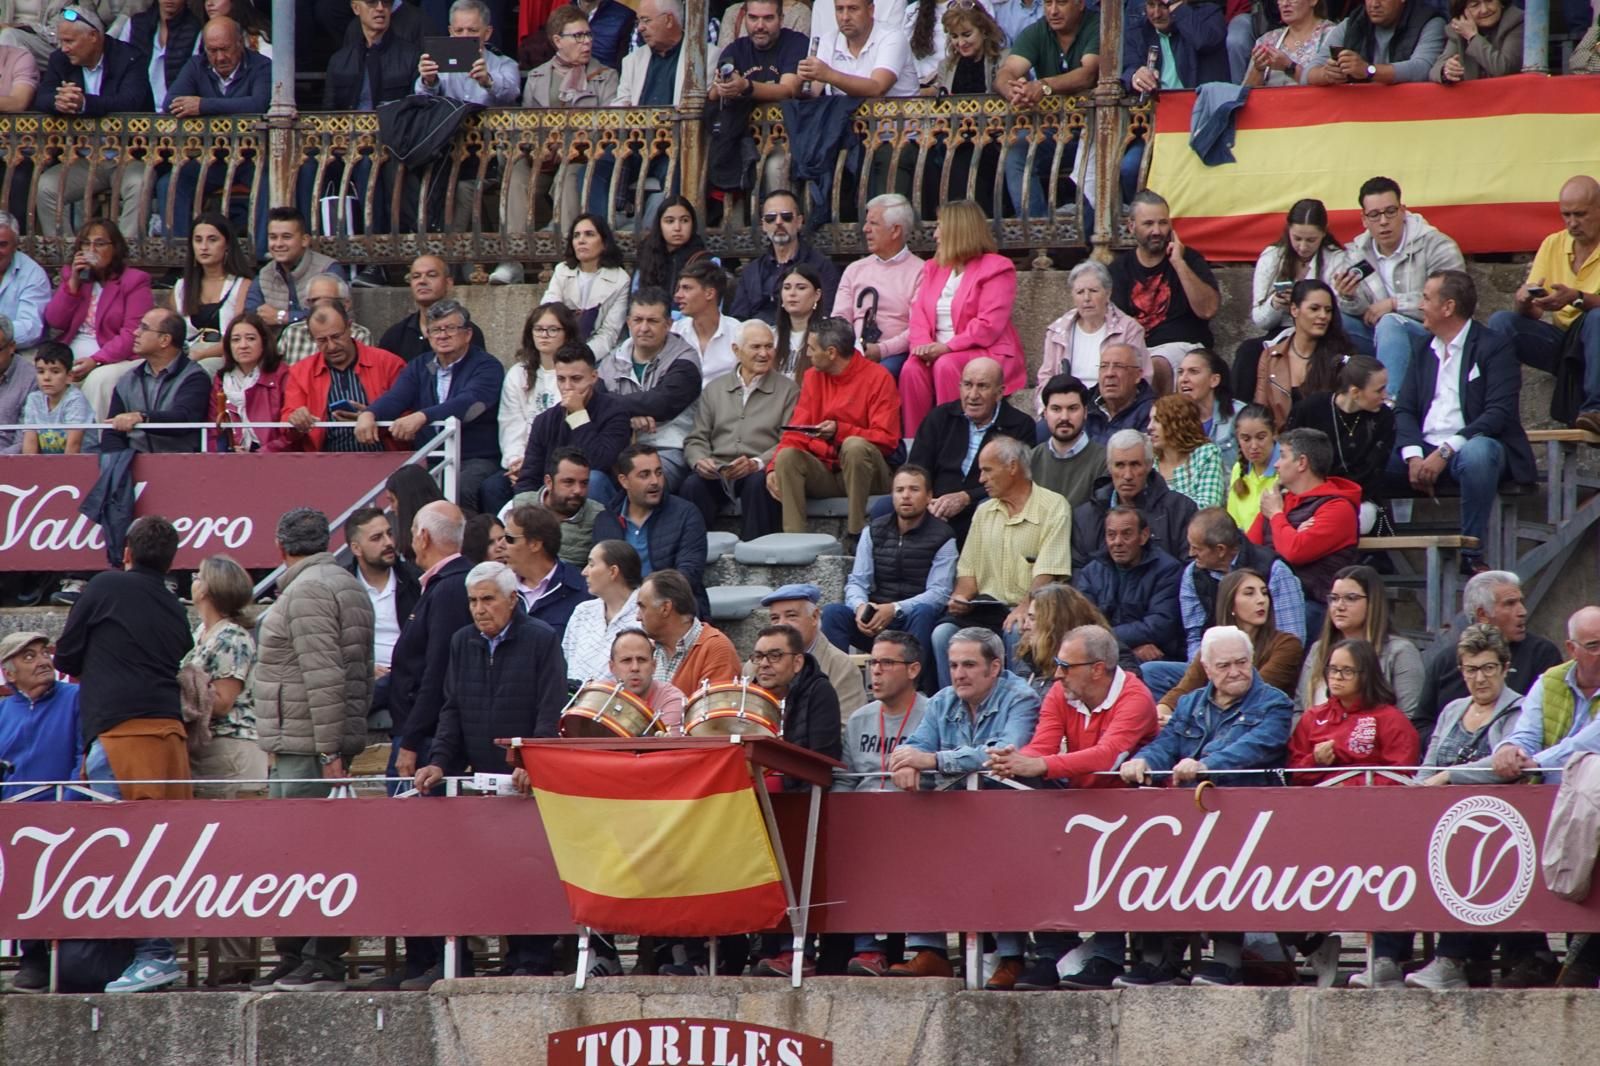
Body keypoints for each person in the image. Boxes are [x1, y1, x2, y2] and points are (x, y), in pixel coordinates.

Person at [54, 515, 193, 992]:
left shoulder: (106, 585)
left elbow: (66, 657)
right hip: (170, 736)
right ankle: (148, 950)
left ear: (127, 552)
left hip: (121, 737)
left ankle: (154, 953)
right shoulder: (176, 608)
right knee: (164, 847)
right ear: (171, 559)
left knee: (132, 848)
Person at [413, 560, 567, 978]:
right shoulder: (463, 642)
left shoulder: (542, 639)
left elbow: (549, 709)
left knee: (527, 872)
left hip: (524, 781)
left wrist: (533, 760)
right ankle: (479, 960)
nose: (480, 609)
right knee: (485, 875)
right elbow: (452, 709)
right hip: (479, 778)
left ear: (512, 600)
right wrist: (439, 761)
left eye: (488, 599)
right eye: (473, 601)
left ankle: (531, 961)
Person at [249, 508, 373, 992]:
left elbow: (325, 679)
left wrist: (328, 754)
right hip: (312, 739)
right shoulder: (342, 582)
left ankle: (316, 959)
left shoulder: (308, 590)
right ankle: (299, 955)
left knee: (303, 858)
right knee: (306, 855)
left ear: (281, 547)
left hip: (306, 744)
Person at [886, 627, 1039, 985]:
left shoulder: (1022, 698)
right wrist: (907, 763)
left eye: (969, 665)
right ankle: (930, 951)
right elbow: (912, 747)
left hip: (1015, 816)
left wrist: (932, 760)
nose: (958, 674)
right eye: (954, 665)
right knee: (914, 839)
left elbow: (1002, 752)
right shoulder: (942, 700)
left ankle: (1012, 956)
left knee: (998, 853)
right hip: (954, 814)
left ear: (996, 666)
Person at [1393, 269, 1535, 570]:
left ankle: (1471, 552)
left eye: (1426, 298)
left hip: (1467, 449)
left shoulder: (1494, 345)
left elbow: (1497, 414)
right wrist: (1414, 457)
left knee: (1479, 452)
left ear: (1448, 307)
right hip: (1424, 450)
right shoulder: (1422, 348)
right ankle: (1377, 542)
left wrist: (1445, 451)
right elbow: (1403, 409)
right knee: (1364, 456)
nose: (1420, 306)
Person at [933, 436, 1071, 686]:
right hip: (984, 612)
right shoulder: (983, 512)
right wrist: (961, 597)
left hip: (1031, 610)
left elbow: (1048, 573)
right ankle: (951, 710)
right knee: (943, 633)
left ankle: (1021, 704)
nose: (981, 479)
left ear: (1013, 467)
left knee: (1017, 627)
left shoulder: (1054, 506)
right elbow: (968, 573)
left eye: (987, 470)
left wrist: (1025, 605)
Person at [357, 299, 505, 513]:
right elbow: (397, 397)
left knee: (459, 488)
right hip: (431, 457)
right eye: (435, 329)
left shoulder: (487, 366)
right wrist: (370, 413)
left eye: (450, 328)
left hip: (476, 457)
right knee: (405, 489)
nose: (442, 335)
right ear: (428, 334)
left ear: (467, 334)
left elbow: (469, 403)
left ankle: (466, 543)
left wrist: (422, 416)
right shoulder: (419, 365)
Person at [823, 465, 956, 687]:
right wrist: (860, 609)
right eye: (899, 490)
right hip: (875, 620)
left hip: (913, 621)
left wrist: (894, 608)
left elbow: (939, 594)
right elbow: (857, 581)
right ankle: (837, 689)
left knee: (924, 612)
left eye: (914, 489)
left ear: (929, 496)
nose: (906, 496)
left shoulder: (943, 536)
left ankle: (911, 691)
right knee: (833, 613)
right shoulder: (873, 530)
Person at [902, 200, 1026, 436]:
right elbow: (918, 314)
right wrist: (921, 348)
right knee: (911, 369)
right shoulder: (933, 267)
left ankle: (953, 439)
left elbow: (988, 325)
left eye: (940, 226)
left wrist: (946, 347)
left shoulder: (997, 267)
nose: (936, 234)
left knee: (946, 365)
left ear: (958, 231)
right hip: (935, 351)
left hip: (983, 350)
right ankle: (914, 444)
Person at [767, 316, 900, 537]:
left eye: (811, 348)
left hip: (870, 474)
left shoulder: (879, 378)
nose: (806, 354)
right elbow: (798, 429)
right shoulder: (812, 377)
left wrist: (840, 431)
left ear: (831, 352)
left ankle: (856, 534)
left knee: (854, 446)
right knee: (787, 456)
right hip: (828, 471)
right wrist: (773, 467)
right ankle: (794, 540)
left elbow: (887, 440)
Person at [1489, 177, 1600, 434]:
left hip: (1595, 339)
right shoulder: (1553, 243)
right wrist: (1525, 301)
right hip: (1566, 345)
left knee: (1596, 318)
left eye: (1580, 215)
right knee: (1502, 322)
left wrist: (1577, 297)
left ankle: (1595, 409)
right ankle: (1499, 414)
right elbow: (1534, 313)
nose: (1572, 223)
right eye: (1566, 215)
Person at [385, 501, 473, 820]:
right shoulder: (445, 584)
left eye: (411, 532)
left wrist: (411, 740)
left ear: (423, 536)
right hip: (423, 734)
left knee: (410, 831)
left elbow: (436, 671)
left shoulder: (449, 589)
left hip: (426, 741)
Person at [1332, 176, 1464, 386]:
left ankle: (1390, 408)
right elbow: (1365, 311)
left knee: (1390, 322)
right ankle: (1335, 403)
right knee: (1329, 318)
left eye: (1390, 212)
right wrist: (1348, 296)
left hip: (1432, 335)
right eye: (1375, 215)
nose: (1384, 221)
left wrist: (1395, 304)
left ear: (1403, 210)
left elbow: (1453, 301)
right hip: (1378, 335)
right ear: (1364, 219)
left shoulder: (1438, 246)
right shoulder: (1357, 253)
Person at [32, 8, 151, 239]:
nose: (64, 48)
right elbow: (41, 97)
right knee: (47, 186)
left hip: (128, 157)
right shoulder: (60, 60)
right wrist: (58, 101)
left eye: (69, 41)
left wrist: (85, 103)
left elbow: (131, 102)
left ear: (94, 36)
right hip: (84, 159)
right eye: (61, 41)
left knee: (140, 182)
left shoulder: (129, 57)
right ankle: (66, 257)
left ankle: (125, 260)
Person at [679, 319, 797, 540]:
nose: (764, 353)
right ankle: (694, 553)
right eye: (756, 347)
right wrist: (700, 461)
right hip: (719, 469)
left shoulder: (788, 390)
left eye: (769, 346)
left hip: (758, 469)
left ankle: (757, 557)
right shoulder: (715, 388)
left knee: (758, 485)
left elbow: (788, 440)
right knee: (692, 485)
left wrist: (757, 463)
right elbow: (697, 438)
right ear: (736, 350)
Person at [509, 21, 619, 256]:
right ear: (557, 41)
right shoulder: (538, 75)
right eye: (578, 36)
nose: (586, 41)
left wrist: (571, 146)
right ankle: (514, 256)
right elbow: (527, 125)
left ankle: (567, 253)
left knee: (570, 174)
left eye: (589, 34)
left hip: (581, 155)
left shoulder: (605, 76)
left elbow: (610, 126)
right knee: (516, 170)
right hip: (544, 157)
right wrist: (539, 146)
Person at [900, 355, 1036, 542]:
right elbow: (917, 469)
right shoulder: (939, 417)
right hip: (934, 505)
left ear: (999, 392)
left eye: (982, 386)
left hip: (983, 504)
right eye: (967, 385)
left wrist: (966, 498)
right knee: (885, 508)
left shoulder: (1020, 426)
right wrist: (928, 501)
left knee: (987, 510)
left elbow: (1016, 481)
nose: (972, 395)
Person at [1415, 571, 1563, 741]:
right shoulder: (1446, 661)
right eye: (1510, 604)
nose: (1522, 611)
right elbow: (1422, 724)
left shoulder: (1542, 654)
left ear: (1504, 668)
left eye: (1521, 602)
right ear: (1483, 615)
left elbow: (1553, 723)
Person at [158, 18, 271, 236]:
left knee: (268, 182)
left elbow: (257, 105)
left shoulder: (262, 66)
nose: (219, 57)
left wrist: (203, 105)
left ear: (241, 42)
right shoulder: (196, 65)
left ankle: (263, 257)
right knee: (170, 183)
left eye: (225, 49)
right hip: (212, 158)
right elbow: (171, 103)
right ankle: (179, 258)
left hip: (252, 157)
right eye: (212, 50)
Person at [1107, 192, 1220, 397]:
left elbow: (1208, 310)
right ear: (1131, 226)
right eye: (1148, 224)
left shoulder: (1189, 259)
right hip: (1137, 349)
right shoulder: (1118, 270)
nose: (1157, 231)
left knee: (1157, 365)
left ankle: (1163, 425)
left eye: (1163, 223)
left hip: (1184, 348)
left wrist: (1178, 263)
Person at [994, 0, 1099, 219]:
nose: (1053, 10)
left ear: (1080, 4)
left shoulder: (1096, 25)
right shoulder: (1037, 31)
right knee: (1017, 151)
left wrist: (1044, 85)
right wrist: (1012, 90)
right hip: (1053, 128)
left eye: (1061, 2)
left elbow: (1088, 74)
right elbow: (1007, 71)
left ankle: (1090, 237)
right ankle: (1036, 230)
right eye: (1048, 3)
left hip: (1097, 126)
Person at [1157, 564, 1304, 719]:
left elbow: (1255, 693)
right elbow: (1185, 688)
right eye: (1249, 593)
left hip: (1259, 720)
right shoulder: (1216, 644)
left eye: (1264, 593)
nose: (1261, 600)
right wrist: (1162, 712)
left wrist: (1187, 719)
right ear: (1230, 604)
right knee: (1153, 673)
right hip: (1215, 717)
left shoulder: (1288, 644)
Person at [1234, 199, 1346, 397]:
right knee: (1248, 351)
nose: (1303, 247)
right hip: (1281, 331)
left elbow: (1337, 313)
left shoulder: (1336, 259)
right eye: (1297, 238)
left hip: (1320, 333)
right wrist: (1275, 304)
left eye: (1311, 240)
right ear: (1288, 230)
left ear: (1324, 232)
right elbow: (1259, 319)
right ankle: (1240, 418)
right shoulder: (1272, 256)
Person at [705, 0, 805, 221]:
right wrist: (720, 87)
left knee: (775, 166)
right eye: (753, 18)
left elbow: (788, 89)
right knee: (728, 164)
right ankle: (736, 243)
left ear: (781, 19)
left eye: (768, 18)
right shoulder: (735, 49)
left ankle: (782, 228)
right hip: (741, 137)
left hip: (784, 138)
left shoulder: (795, 43)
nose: (760, 25)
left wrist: (746, 86)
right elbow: (713, 94)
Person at [43, 218, 152, 420]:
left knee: (98, 379)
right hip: (73, 354)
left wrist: (96, 360)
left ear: (115, 248)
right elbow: (55, 321)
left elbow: (132, 335)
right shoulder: (76, 277)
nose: (91, 249)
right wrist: (73, 284)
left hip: (116, 359)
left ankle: (89, 442)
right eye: (86, 243)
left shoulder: (134, 281)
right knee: (45, 373)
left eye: (100, 243)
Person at [1118, 8, 1226, 208]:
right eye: (1151, 4)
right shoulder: (1139, 30)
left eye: (1163, 5)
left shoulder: (1207, 16)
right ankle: (1142, 223)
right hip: (1155, 128)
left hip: (1200, 126)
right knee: (1130, 169)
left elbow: (1205, 41)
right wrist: (1135, 75)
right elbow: (1126, 69)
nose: (1156, 13)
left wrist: (1179, 10)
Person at [598, 288, 703, 494]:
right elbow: (593, 405)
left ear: (668, 324)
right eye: (638, 320)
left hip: (668, 449)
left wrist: (613, 407)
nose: (644, 328)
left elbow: (661, 404)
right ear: (628, 322)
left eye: (652, 321)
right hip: (619, 447)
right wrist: (628, 418)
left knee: (643, 482)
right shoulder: (611, 361)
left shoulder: (685, 360)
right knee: (591, 480)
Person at [1246, 426, 1360, 610]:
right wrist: (1291, 529)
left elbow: (1295, 552)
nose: (1276, 464)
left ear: (1301, 463)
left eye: (1282, 456)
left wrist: (1277, 516)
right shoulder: (1279, 501)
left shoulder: (1338, 508)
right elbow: (1247, 550)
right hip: (1268, 597)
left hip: (1313, 604)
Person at [1175, 507, 1306, 663]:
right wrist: (1204, 672)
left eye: (1197, 548)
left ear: (1220, 550)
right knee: (1154, 672)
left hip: (1265, 666)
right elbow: (1195, 636)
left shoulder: (1274, 570)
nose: (1190, 554)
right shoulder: (1193, 574)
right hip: (1214, 666)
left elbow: (1292, 640)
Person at [183, 554, 266, 799]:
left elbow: (222, 701)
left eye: (199, 576)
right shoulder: (200, 633)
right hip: (205, 750)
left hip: (231, 749)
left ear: (209, 590)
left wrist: (181, 688)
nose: (194, 581)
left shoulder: (232, 637)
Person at [592, 445, 710, 617]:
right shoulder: (605, 521)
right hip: (619, 609)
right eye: (644, 475)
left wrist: (646, 600)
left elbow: (689, 573)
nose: (655, 481)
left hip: (670, 608)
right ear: (624, 481)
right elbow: (602, 575)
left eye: (659, 472)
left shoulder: (686, 514)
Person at [1283, 354, 1392, 534]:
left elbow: (1372, 474)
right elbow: (1289, 453)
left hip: (1357, 500)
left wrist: (1332, 499)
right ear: (1356, 392)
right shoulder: (1310, 409)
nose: (1385, 396)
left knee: (1334, 521)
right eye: (1379, 390)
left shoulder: (1384, 419)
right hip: (1306, 496)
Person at [1298, 564, 1424, 719]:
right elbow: (1299, 710)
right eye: (1334, 598)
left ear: (1373, 602)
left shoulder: (1400, 652)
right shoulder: (1318, 650)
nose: (1339, 606)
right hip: (1315, 740)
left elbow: (1409, 718)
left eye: (1351, 598)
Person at [512, 344, 632, 504]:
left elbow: (599, 462)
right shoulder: (544, 420)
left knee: (594, 479)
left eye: (576, 379)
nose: (567, 387)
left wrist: (578, 415)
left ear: (594, 377)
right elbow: (529, 476)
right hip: (553, 498)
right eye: (561, 379)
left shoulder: (615, 412)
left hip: (600, 497)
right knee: (501, 488)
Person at [281, 304, 405, 453]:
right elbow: (286, 427)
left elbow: (408, 418)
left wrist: (374, 416)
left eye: (336, 337)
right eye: (322, 340)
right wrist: (296, 420)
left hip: (383, 456)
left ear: (350, 327)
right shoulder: (300, 372)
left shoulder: (389, 364)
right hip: (325, 462)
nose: (332, 346)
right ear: (312, 338)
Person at [1071, 428, 1198, 569]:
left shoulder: (1181, 510)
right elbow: (1078, 574)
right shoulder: (1084, 517)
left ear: (1149, 465)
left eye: (1135, 464)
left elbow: (1190, 571)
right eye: (1120, 465)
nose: (1127, 475)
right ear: (1109, 467)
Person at [1072, 506, 1185, 661]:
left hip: (1155, 655)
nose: (1117, 542)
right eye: (1111, 535)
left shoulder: (1168, 570)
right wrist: (1125, 648)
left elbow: (1160, 625)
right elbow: (1081, 623)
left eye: (1126, 534)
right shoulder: (1091, 572)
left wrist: (1106, 639)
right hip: (1102, 654)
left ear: (1144, 536)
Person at [832, 192, 924, 381]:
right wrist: (850, 347)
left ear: (895, 231)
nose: (865, 229)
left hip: (894, 355)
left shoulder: (921, 272)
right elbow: (839, 318)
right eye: (867, 223)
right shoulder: (854, 270)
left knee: (876, 376)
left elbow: (919, 328)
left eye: (873, 223)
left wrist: (882, 350)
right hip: (852, 351)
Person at [343, 506, 421, 728]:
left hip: (408, 674)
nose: (388, 542)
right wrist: (366, 668)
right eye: (377, 538)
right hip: (363, 676)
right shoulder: (343, 586)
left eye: (389, 533)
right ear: (356, 548)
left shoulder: (415, 580)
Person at [495, 302, 579, 506]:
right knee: (492, 487)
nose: (544, 335)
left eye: (553, 329)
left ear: (567, 334)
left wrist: (533, 465)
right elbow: (511, 423)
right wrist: (515, 462)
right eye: (539, 329)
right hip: (522, 464)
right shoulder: (518, 374)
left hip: (557, 463)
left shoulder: (574, 373)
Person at [1038, 261, 1148, 415]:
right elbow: (1046, 377)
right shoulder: (1057, 331)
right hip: (1068, 408)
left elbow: (1144, 376)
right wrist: (1047, 409)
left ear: (1108, 293)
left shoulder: (1129, 329)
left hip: (1111, 407)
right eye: (1080, 292)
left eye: (1093, 291)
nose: (1087, 298)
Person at [100, 307, 212, 454]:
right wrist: (119, 463)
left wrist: (142, 417)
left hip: (182, 467)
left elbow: (183, 419)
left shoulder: (195, 377)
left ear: (165, 340)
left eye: (144, 328)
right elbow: (112, 432)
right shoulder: (127, 380)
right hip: (134, 466)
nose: (136, 333)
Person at [751, 583, 868, 716]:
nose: (782, 624)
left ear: (815, 617)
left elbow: (847, 728)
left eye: (791, 616)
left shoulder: (842, 667)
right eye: (775, 618)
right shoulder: (755, 666)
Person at [730, 189, 843, 325]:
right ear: (764, 225)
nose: (778, 222)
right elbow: (738, 319)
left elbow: (828, 314)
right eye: (771, 218)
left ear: (799, 221)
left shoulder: (821, 266)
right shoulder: (751, 271)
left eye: (786, 216)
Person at [1251, 279, 1351, 430]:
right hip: (1281, 445)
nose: (1323, 316)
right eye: (1314, 308)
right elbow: (1261, 413)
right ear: (1294, 310)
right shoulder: (1270, 356)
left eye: (1328, 310)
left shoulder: (1340, 358)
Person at [0, 630, 82, 802]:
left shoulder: (78, 697)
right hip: (11, 816)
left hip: (66, 813)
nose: (44, 661)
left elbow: (85, 758)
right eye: (30, 657)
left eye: (45, 653)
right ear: (10, 674)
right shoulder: (3, 710)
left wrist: (66, 805)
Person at [537, 214, 630, 357]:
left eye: (589, 234)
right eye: (576, 235)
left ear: (604, 242)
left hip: (598, 354)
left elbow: (609, 333)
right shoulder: (562, 270)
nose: (581, 240)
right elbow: (548, 311)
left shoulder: (620, 280)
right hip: (558, 348)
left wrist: (581, 356)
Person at [636, 568, 742, 693]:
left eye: (642, 607)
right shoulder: (650, 651)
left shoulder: (716, 649)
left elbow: (714, 709)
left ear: (665, 608)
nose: (637, 617)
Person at [503, 502, 591, 646]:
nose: (501, 545)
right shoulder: (500, 591)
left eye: (509, 538)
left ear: (535, 544)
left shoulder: (581, 591)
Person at [172, 212, 252, 368]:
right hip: (189, 352)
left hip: (224, 355)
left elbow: (238, 336)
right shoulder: (182, 286)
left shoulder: (242, 285)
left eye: (212, 240)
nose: (204, 247)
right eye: (198, 240)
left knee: (199, 371)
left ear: (227, 244)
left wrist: (201, 355)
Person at [376, 255, 486, 364]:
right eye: (416, 276)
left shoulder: (465, 332)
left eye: (431, 275)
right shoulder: (395, 335)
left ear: (448, 283)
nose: (422, 281)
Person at [246, 208, 345, 329]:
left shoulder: (327, 268)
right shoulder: (264, 274)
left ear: (305, 240)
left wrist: (282, 316)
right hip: (276, 346)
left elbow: (333, 314)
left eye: (286, 237)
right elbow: (250, 315)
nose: (278, 244)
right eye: (273, 237)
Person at [1305, 0, 1446, 85]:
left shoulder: (1429, 22)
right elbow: (1307, 75)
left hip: (1411, 113)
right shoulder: (1352, 23)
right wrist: (1327, 74)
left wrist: (1368, 70)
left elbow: (1422, 69)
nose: (1374, 4)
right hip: (1360, 115)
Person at [799, 0, 920, 98]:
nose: (845, 17)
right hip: (845, 125)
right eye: (840, 9)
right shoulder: (828, 40)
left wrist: (829, 74)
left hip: (899, 125)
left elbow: (877, 89)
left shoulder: (892, 37)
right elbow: (812, 92)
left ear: (871, 10)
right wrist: (801, 82)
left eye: (853, 9)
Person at [562, 539, 643, 684]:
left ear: (613, 571)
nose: (584, 572)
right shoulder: (583, 611)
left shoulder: (645, 614)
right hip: (575, 703)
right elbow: (565, 663)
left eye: (592, 565)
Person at [211, 312, 290, 453]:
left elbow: (291, 433)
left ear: (264, 342)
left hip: (276, 459)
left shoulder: (282, 374)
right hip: (232, 460)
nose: (243, 346)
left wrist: (257, 455)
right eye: (235, 340)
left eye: (251, 339)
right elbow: (213, 429)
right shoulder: (221, 380)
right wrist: (228, 452)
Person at [416, 0, 520, 104]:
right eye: (459, 30)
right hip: (451, 120)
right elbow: (421, 102)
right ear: (450, 32)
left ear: (487, 33)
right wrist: (429, 82)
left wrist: (488, 82)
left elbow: (512, 95)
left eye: (473, 30)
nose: (465, 36)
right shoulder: (437, 65)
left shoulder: (504, 64)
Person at [1031, 374, 1108, 509]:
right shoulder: (1032, 459)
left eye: (1072, 409)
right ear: (1045, 414)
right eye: (1056, 409)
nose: (1064, 417)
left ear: (1085, 412)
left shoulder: (1104, 461)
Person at [1148, 392, 1225, 510]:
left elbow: (1208, 507)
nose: (1149, 427)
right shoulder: (1149, 460)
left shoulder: (1206, 454)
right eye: (1150, 420)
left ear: (1177, 423)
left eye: (1157, 420)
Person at [672, 258, 742, 383]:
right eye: (679, 289)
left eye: (686, 288)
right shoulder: (675, 332)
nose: (678, 296)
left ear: (709, 293)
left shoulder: (738, 333)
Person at [23, 341, 96, 454]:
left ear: (69, 376)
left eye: (55, 371)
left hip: (81, 465)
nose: (46, 377)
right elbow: (30, 444)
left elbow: (74, 446)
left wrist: (62, 471)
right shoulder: (34, 399)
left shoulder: (75, 400)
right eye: (41, 371)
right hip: (48, 465)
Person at [1175, 349, 1243, 470]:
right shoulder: (1174, 419)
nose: (1183, 379)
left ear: (1214, 380)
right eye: (1180, 372)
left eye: (1193, 372)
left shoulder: (1240, 415)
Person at [1242, 0, 1333, 86]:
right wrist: (1258, 69)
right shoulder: (1268, 40)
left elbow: (1335, 84)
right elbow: (1245, 95)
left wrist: (1289, 67)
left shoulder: (1331, 35)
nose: (1285, 3)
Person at [632, 196, 708, 298]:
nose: (677, 228)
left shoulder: (704, 260)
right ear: (659, 225)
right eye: (670, 221)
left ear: (693, 223)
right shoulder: (647, 254)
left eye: (685, 220)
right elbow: (635, 298)